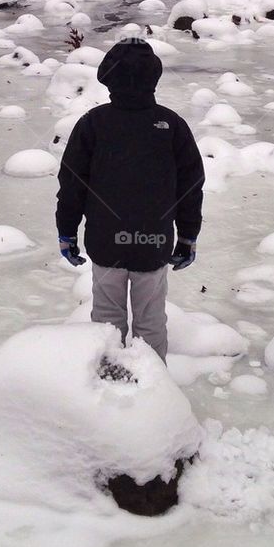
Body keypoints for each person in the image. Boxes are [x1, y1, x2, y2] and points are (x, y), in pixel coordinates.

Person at [55, 37, 204, 361]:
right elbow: (191, 187)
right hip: (153, 243)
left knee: (106, 322)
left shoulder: (92, 124)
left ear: (108, 78)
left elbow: (71, 185)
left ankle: (108, 384)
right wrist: (188, 236)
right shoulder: (171, 125)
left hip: (105, 243)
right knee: (150, 323)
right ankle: (152, 392)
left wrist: (66, 231)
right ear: (154, 78)